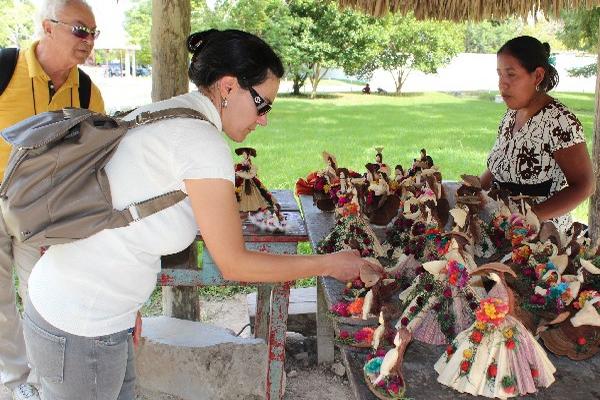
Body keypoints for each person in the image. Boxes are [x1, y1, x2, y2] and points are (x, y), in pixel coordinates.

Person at [21, 29, 377, 399]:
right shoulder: (201, 142)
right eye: (262, 104)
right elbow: (234, 264)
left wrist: (128, 309)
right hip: (80, 326)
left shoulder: (164, 113)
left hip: (91, 313)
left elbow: (119, 217)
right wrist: (329, 264)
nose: (264, 119)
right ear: (227, 88)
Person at [0, 1, 104, 399]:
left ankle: (45, 386)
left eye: (94, 33)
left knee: (43, 296)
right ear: (48, 27)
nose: (88, 41)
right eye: (81, 30)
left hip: (43, 211)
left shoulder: (87, 91)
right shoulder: (5, 68)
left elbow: (95, 156)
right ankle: (13, 385)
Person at [480, 36, 594, 232]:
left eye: (511, 74)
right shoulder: (511, 115)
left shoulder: (560, 122)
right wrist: (469, 194)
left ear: (538, 76)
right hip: (499, 226)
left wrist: (531, 217)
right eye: (499, 74)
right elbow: (497, 168)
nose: (502, 84)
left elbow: (584, 186)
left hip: (539, 238)